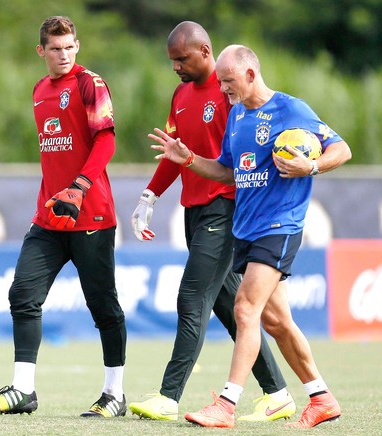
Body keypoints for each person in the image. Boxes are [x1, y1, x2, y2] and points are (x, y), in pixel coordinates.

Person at [149, 44, 352, 429]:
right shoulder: (238, 117)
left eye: (228, 82)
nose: (223, 89)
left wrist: (311, 165)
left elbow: (341, 149)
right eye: (221, 83)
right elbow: (227, 172)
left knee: (244, 309)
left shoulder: (291, 109)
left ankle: (226, 404)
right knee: (276, 323)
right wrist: (188, 158)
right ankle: (322, 397)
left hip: (280, 225)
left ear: (250, 74)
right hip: (246, 229)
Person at [128, 21, 295, 423]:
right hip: (194, 211)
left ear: (204, 52)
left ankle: (169, 397)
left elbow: (243, 158)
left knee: (191, 298)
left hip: (226, 209)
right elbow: (176, 154)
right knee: (230, 309)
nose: (175, 67)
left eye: (181, 59)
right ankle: (279, 394)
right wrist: (149, 195)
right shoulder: (180, 95)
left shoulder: (230, 96)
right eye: (171, 61)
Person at [0, 16, 127, 418]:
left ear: (78, 45)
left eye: (70, 47)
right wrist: (60, 193)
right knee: (23, 294)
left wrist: (78, 187)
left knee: (103, 307)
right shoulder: (40, 90)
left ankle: (115, 393)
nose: (64, 55)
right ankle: (23, 390)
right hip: (48, 217)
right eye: (55, 48)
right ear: (41, 51)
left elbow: (106, 140)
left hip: (90, 215)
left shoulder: (89, 83)